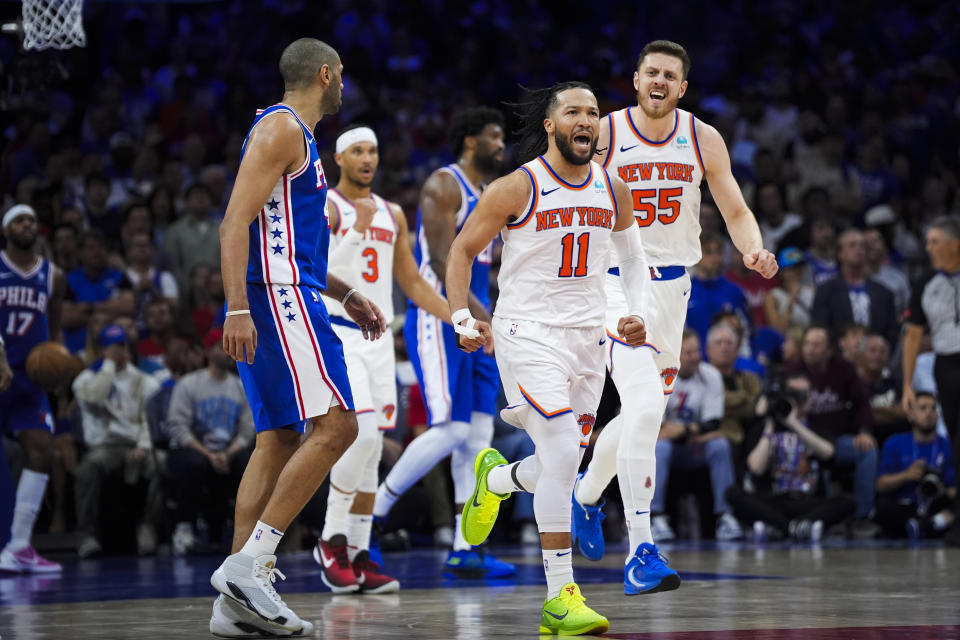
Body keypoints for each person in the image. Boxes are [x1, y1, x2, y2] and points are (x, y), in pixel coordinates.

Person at [570, 40, 777, 594]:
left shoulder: (701, 137)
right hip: (613, 285)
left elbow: (733, 208)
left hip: (673, 290)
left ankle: (585, 497)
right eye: (651, 72)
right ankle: (641, 549)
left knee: (645, 417)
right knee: (639, 405)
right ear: (636, 79)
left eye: (670, 76)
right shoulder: (606, 133)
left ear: (682, 88)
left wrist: (753, 249)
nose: (659, 81)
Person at [449, 80, 648, 636]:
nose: (587, 120)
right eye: (574, 112)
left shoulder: (613, 185)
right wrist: (463, 318)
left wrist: (635, 312)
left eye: (593, 112)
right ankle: (560, 593)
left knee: (559, 463)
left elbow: (632, 258)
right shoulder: (518, 186)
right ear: (551, 125)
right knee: (563, 450)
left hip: (589, 337)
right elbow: (463, 251)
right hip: (526, 331)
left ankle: (497, 479)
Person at [208, 39, 385, 638]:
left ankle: (233, 603)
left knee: (279, 438)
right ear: (326, 74)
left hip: (286, 291)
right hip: (276, 298)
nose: (344, 88)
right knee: (340, 423)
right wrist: (237, 306)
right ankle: (252, 564)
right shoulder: (282, 129)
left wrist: (343, 292)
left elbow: (280, 235)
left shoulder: (295, 137)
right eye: (343, 78)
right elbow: (234, 222)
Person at [370, 107, 515, 579]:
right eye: (494, 138)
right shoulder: (444, 184)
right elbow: (440, 257)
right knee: (450, 429)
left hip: (476, 312)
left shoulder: (494, 191)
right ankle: (371, 519)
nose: (502, 146)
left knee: (478, 434)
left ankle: (466, 547)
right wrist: (479, 312)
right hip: (440, 316)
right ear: (470, 141)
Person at [313, 123, 453, 594]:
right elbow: (310, 267)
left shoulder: (393, 212)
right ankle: (330, 540)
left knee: (373, 450)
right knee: (362, 435)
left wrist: (457, 317)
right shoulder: (327, 207)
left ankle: (357, 554)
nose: (367, 159)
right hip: (337, 334)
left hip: (377, 342)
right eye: (357, 151)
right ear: (339, 159)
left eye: (372, 150)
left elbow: (412, 282)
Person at [0, 204, 66, 573]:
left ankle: (19, 546)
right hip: (0, 370)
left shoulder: (53, 275)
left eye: (31, 221)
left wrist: (57, 366)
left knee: (40, 450)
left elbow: (54, 331)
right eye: (19, 220)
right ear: (6, 229)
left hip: (30, 379)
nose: (27, 225)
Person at [725, 371, 855, 542]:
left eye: (804, 394)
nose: (801, 399)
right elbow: (756, 467)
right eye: (794, 394)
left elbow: (828, 453)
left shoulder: (817, 428)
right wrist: (771, 425)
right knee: (733, 493)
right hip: (773, 500)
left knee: (848, 501)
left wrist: (794, 424)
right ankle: (797, 527)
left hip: (807, 500)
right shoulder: (763, 428)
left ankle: (779, 527)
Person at [72, 324, 160, 558]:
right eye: (113, 346)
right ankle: (86, 536)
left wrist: (143, 446)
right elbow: (94, 398)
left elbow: (147, 422)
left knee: (160, 463)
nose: (119, 351)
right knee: (88, 468)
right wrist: (108, 365)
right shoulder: (86, 379)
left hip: (135, 443)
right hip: (105, 445)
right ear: (102, 349)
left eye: (121, 345)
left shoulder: (144, 381)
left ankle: (148, 527)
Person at [648, 330, 743, 542]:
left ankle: (725, 516)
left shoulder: (710, 375)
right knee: (660, 447)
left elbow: (712, 424)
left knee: (719, 445)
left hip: (696, 447)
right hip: (669, 448)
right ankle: (655, 518)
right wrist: (692, 430)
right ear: (674, 355)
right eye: (688, 353)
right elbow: (656, 428)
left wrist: (683, 430)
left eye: (697, 351)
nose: (696, 357)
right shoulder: (659, 376)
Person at [165, 329, 254, 556]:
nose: (229, 351)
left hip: (226, 451)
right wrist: (209, 454)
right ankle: (184, 527)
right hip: (194, 450)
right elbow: (177, 427)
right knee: (194, 464)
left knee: (249, 462)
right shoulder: (189, 384)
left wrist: (227, 454)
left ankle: (245, 532)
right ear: (209, 350)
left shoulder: (240, 386)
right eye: (222, 345)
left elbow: (248, 429)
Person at [901, 216, 960, 547]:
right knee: (957, 443)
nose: (928, 248)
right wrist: (907, 384)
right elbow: (912, 337)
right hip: (947, 364)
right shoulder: (925, 283)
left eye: (934, 241)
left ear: (955, 244)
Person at [791, 325, 878, 532]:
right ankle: (825, 518)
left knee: (868, 451)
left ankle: (862, 515)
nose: (811, 349)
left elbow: (862, 402)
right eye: (807, 344)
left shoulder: (844, 369)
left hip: (837, 439)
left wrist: (864, 431)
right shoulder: (791, 371)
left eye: (817, 344)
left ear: (829, 350)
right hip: (802, 441)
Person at [876, 392, 955, 539]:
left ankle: (926, 526)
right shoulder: (894, 443)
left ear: (938, 415)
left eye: (933, 408)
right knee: (883, 507)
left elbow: (954, 491)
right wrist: (906, 475)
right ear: (911, 414)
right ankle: (923, 527)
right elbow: (880, 485)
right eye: (923, 408)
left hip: (935, 504)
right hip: (905, 505)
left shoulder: (948, 445)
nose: (929, 413)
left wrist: (942, 490)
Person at [811, 228, 898, 348]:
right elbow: (821, 329)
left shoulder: (884, 293)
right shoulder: (826, 291)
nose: (859, 250)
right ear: (840, 253)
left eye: (862, 246)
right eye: (852, 245)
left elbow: (891, 333)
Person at [764, 247, 814, 333]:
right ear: (781, 272)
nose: (797, 272)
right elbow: (778, 330)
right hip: (788, 342)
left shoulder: (811, 291)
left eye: (799, 267)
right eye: (792, 268)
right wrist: (792, 298)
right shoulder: (772, 296)